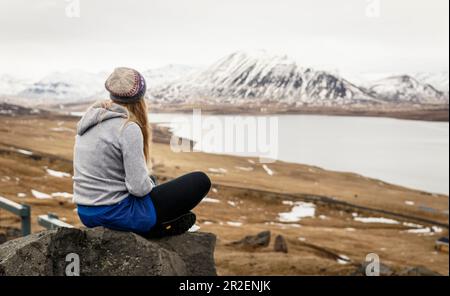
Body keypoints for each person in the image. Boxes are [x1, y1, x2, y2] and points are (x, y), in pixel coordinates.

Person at [73, 67, 211, 237]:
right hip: (116, 214)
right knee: (200, 180)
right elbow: (138, 188)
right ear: (139, 97)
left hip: (87, 213)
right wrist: (151, 187)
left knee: (151, 180)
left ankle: (160, 223)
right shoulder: (127, 127)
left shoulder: (89, 122)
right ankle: (155, 228)